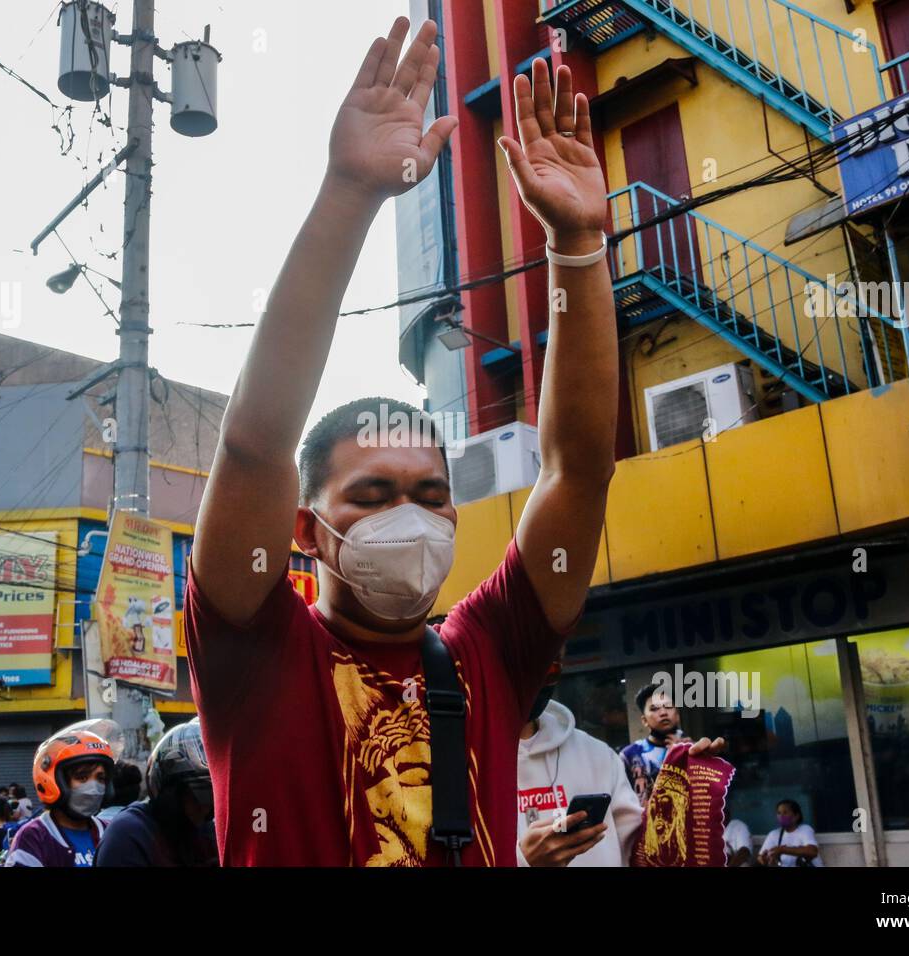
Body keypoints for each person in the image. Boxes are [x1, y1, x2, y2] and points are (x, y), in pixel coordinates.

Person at [185, 17, 722, 867]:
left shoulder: (490, 650)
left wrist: (578, 247)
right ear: (303, 530)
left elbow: (578, 470)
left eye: (432, 495)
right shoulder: (252, 643)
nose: (412, 515)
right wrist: (349, 193)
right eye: (371, 494)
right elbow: (255, 444)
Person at [516, 660, 641, 866]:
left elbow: (640, 848)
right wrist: (522, 861)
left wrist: (693, 792)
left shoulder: (597, 753)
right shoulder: (462, 764)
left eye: (553, 666)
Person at [95, 720, 218, 867]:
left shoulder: (202, 834)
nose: (206, 807)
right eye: (200, 795)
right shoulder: (130, 835)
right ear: (171, 793)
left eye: (212, 796)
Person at [4, 729, 114, 867]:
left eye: (100, 778)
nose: (93, 787)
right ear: (54, 782)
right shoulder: (34, 837)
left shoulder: (111, 832)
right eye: (82, 777)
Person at [620, 682, 693, 806]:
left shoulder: (693, 750)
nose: (663, 712)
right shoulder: (630, 755)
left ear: (677, 715)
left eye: (668, 707)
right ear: (644, 721)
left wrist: (687, 756)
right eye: (654, 709)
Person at [757, 799, 822, 867]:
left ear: (796, 816)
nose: (781, 816)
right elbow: (760, 858)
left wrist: (782, 850)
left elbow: (812, 851)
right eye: (779, 813)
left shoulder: (805, 829)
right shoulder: (773, 834)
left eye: (785, 813)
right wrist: (764, 860)